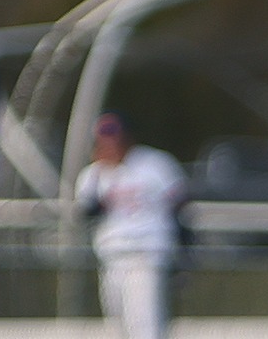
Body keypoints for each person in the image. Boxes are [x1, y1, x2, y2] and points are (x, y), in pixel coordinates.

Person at [74, 112, 188, 339]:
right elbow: (85, 213)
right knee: (118, 327)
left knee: (146, 326)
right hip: (112, 258)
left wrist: (183, 253)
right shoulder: (94, 174)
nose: (110, 144)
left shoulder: (155, 164)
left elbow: (181, 208)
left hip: (146, 255)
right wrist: (101, 177)